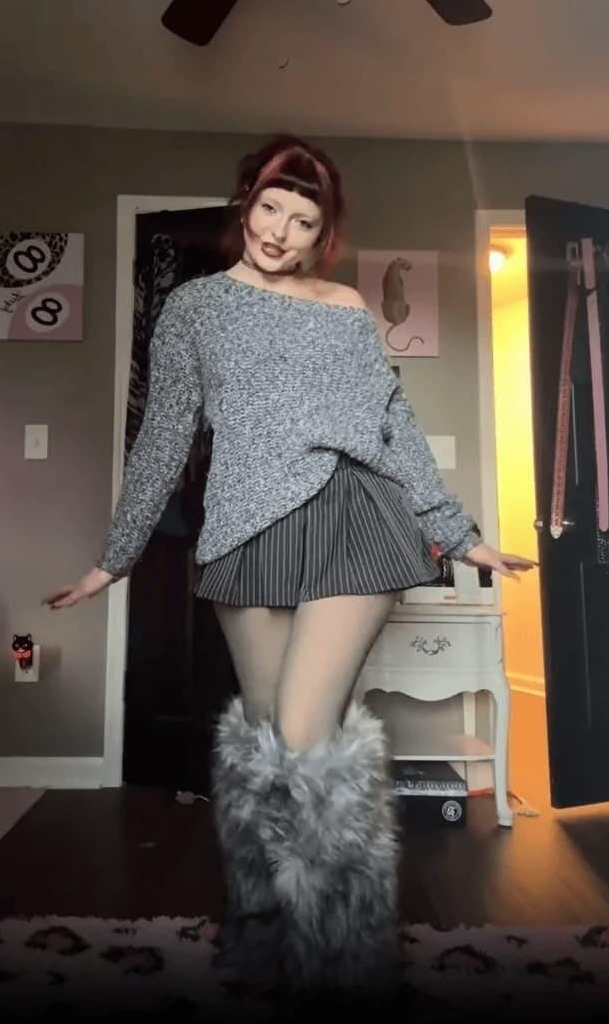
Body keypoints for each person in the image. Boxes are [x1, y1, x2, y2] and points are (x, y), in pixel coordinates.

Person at [43, 134, 536, 1010]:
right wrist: (113, 557)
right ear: (245, 205)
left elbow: (392, 422)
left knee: (309, 733)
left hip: (351, 515)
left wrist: (458, 534)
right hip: (244, 531)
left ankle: (342, 954)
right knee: (271, 743)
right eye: (270, 208)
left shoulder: (345, 308)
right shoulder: (194, 308)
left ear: (323, 234)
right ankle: (265, 931)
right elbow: (163, 436)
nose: (280, 231)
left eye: (303, 221)